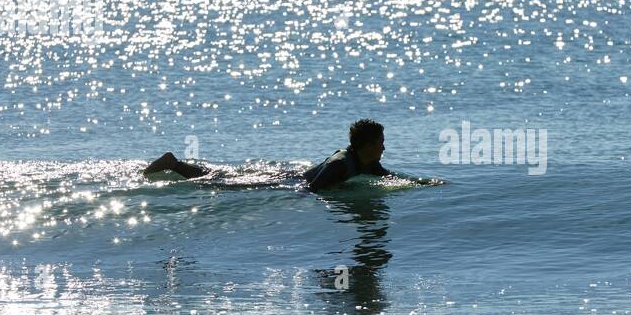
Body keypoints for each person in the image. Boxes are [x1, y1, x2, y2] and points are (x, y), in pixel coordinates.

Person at [144, 118, 426, 192]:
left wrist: (428, 184)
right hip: (287, 181)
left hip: (290, 177)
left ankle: (178, 163)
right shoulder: (340, 166)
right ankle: (174, 164)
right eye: (380, 143)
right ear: (365, 146)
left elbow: (392, 178)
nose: (384, 148)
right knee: (220, 185)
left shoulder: (370, 163)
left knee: (222, 177)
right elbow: (311, 189)